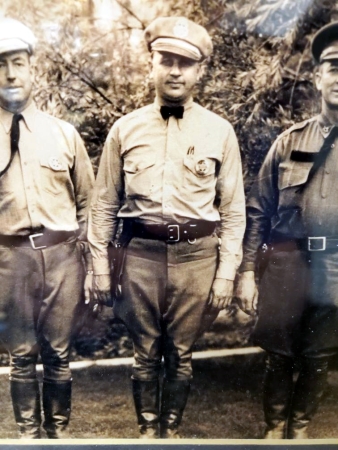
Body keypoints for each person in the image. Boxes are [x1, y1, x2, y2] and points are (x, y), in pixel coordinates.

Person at [88, 16, 245, 439]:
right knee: (144, 352)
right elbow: (103, 204)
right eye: (166, 60)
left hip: (198, 257)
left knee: (181, 353)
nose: (175, 70)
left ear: (200, 70)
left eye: (185, 63)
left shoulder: (219, 131)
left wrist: (228, 272)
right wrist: (99, 266)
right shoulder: (125, 129)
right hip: (140, 255)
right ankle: (147, 431)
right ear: (151, 64)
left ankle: (171, 433)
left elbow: (233, 211)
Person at [235, 21, 338, 440]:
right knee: (278, 354)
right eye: (333, 66)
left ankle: (300, 428)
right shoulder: (288, 142)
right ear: (317, 76)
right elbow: (258, 211)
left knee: (319, 356)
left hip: (335, 265)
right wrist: (245, 273)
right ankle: (275, 428)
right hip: (287, 261)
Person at [0, 18, 94, 438]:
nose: (10, 74)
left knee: (58, 352)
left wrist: (94, 266)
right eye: (0, 65)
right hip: (10, 259)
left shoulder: (64, 134)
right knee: (21, 355)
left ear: (32, 67)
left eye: (17, 63)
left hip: (62, 258)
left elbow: (89, 202)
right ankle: (26, 438)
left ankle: (58, 437)